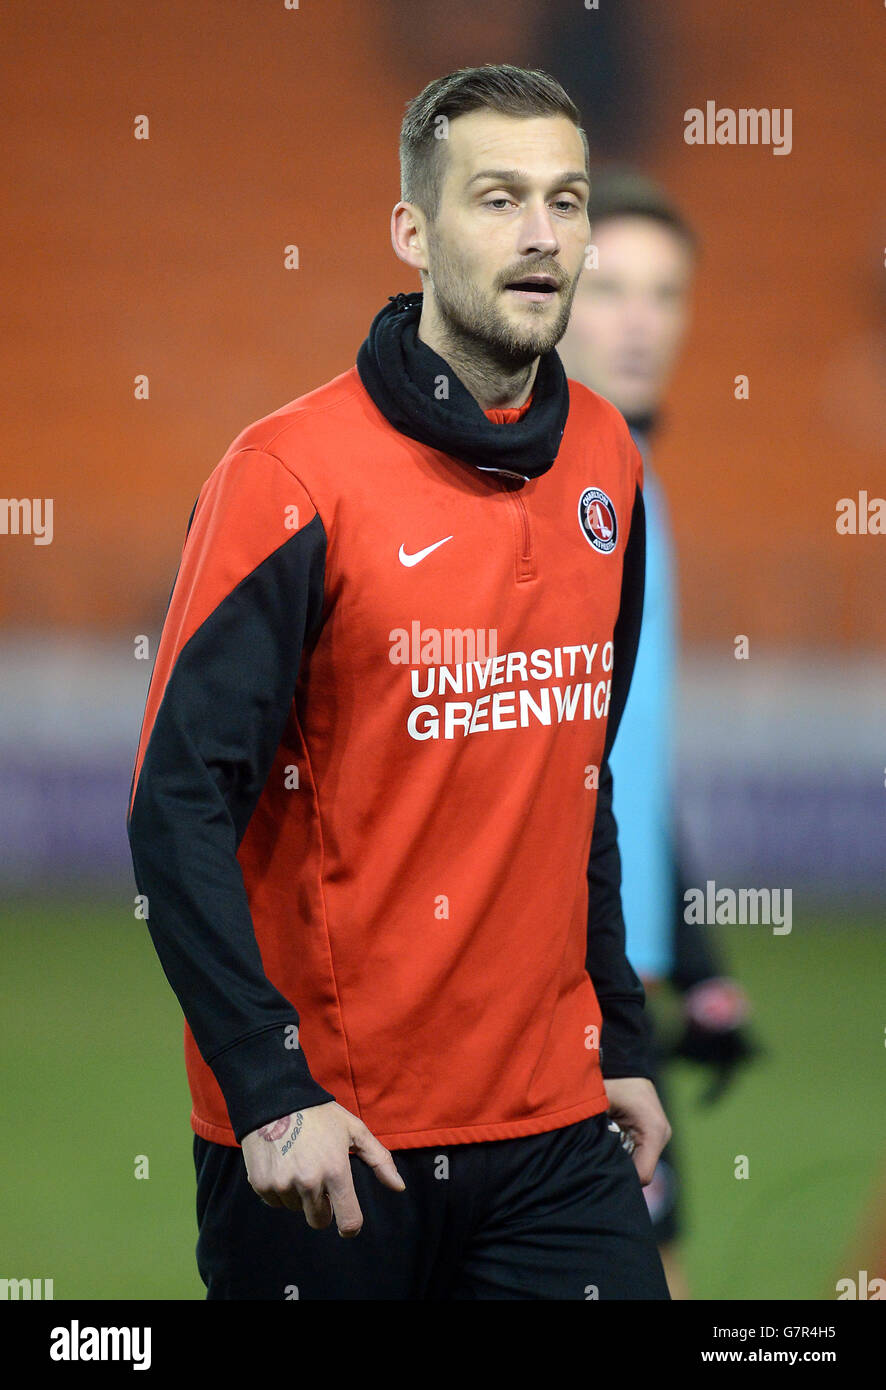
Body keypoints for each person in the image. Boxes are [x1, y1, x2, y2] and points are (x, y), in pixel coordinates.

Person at [127, 65, 671, 1301]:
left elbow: (575, 782)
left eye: (566, 200)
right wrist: (270, 1094)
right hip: (334, 1141)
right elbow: (175, 808)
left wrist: (618, 1041)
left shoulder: (608, 462)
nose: (541, 234)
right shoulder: (286, 478)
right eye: (497, 198)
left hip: (550, 1130)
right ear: (413, 232)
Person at [557, 169, 758, 1299]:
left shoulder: (635, 483)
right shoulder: (546, 497)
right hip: (553, 1003)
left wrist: (698, 963)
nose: (639, 320)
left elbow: (617, 767)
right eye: (610, 286)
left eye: (664, 292)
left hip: (613, 992)